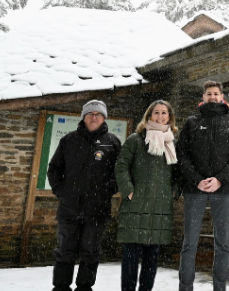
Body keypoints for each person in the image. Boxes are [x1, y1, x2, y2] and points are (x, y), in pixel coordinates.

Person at [177, 80, 229, 291]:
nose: (212, 97)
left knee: (222, 243)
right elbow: (182, 154)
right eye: (209, 94)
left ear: (222, 96)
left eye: (216, 93)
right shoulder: (191, 122)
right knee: (189, 243)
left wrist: (221, 179)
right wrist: (196, 179)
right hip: (194, 189)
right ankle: (185, 287)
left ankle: (219, 287)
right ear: (203, 97)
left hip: (222, 190)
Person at [47, 100, 122, 291]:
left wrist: (108, 190)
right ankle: (61, 287)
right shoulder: (69, 140)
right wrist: (61, 191)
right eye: (90, 114)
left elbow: (119, 173)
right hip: (69, 208)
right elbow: (54, 169)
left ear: (104, 118)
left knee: (91, 252)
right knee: (65, 251)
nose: (94, 117)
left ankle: (84, 287)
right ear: (84, 117)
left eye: (98, 114)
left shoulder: (112, 142)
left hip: (97, 209)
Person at [115, 100, 180, 291]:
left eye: (164, 113)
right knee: (130, 259)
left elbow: (178, 173)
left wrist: (173, 192)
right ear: (149, 116)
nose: (160, 116)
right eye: (156, 113)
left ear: (170, 117)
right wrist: (128, 190)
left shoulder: (172, 143)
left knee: (152, 261)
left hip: (160, 210)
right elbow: (121, 165)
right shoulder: (136, 140)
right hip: (135, 206)